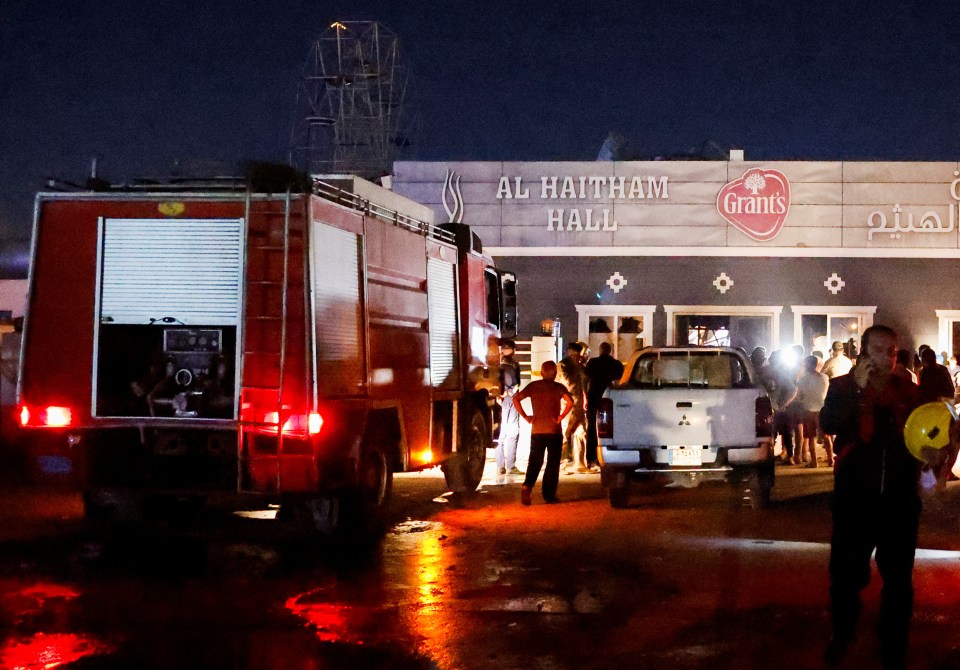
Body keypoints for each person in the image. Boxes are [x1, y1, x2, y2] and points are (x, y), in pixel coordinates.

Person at [820, 324, 922, 669]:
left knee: (898, 580)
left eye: (891, 351)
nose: (886, 357)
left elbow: (923, 437)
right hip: (855, 499)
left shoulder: (908, 392)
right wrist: (858, 391)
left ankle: (894, 643)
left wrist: (935, 453)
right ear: (863, 352)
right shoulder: (842, 387)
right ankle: (843, 634)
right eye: (878, 349)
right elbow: (830, 423)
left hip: (899, 500)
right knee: (846, 575)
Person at [513, 360, 573, 505]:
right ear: (555, 373)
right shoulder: (558, 387)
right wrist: (561, 417)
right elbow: (570, 401)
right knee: (552, 464)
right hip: (554, 431)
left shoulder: (534, 386)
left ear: (541, 373)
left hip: (537, 431)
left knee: (535, 461)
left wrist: (526, 416)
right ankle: (549, 495)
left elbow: (516, 399)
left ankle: (527, 486)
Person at [584, 341, 624, 470]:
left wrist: (584, 395)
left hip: (594, 396)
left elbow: (585, 379)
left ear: (600, 350)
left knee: (591, 428)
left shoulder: (592, 363)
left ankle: (591, 458)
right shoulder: (616, 364)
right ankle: (610, 454)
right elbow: (620, 381)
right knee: (610, 428)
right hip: (609, 397)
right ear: (610, 351)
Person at [557, 341, 590, 473]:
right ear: (570, 352)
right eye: (576, 355)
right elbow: (568, 383)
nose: (578, 358)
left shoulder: (577, 365)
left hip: (577, 404)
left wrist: (584, 397)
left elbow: (581, 384)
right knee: (564, 433)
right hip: (567, 404)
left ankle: (579, 463)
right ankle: (560, 463)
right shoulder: (563, 365)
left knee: (580, 432)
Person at [794, 354, 831, 467]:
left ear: (806, 365)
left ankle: (814, 462)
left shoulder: (802, 380)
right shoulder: (824, 377)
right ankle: (831, 459)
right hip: (822, 409)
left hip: (808, 410)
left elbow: (800, 396)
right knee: (826, 436)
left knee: (810, 437)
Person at [495, 339, 524, 477]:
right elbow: (516, 384)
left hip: (502, 400)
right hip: (509, 400)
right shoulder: (512, 365)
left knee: (502, 433)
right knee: (512, 432)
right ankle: (510, 466)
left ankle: (501, 466)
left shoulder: (495, 364)